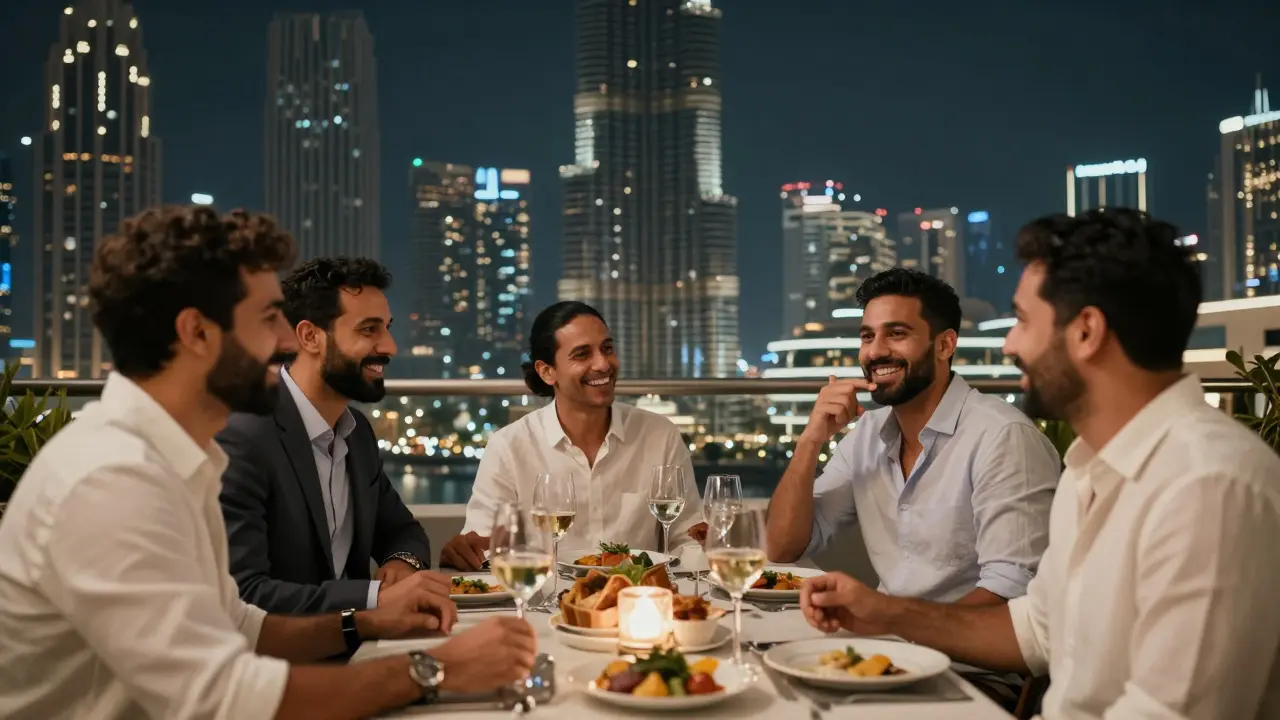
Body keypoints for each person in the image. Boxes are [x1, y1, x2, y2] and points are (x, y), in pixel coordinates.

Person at [0, 206, 537, 720]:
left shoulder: (181, 457)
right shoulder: (111, 479)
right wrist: (437, 669)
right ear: (197, 332)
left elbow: (242, 624)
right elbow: (222, 699)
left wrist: (372, 621)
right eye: (267, 319)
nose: (285, 341)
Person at [799, 209, 1280, 720]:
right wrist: (885, 613)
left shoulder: (1209, 486)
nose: (1011, 345)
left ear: (1086, 331)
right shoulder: (1090, 469)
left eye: (1024, 321)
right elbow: (1035, 630)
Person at [766, 267, 1060, 605]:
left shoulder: (1003, 437)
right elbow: (784, 548)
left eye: (896, 333)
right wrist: (810, 440)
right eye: (867, 336)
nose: (875, 352)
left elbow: (1011, 590)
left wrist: (892, 623)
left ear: (945, 345)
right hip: (891, 643)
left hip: (968, 654)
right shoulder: (865, 435)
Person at [218, 257, 435, 614]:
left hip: (356, 644)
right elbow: (245, 595)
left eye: (388, 328)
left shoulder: (357, 432)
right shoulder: (245, 438)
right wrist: (373, 599)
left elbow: (401, 530)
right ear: (309, 336)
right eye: (369, 330)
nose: (390, 346)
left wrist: (402, 563)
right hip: (282, 663)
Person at [440, 301, 703, 571]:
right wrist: (469, 551)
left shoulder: (660, 435)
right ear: (547, 372)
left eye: (607, 348)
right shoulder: (508, 447)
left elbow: (687, 538)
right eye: (582, 354)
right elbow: (483, 548)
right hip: (543, 605)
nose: (602, 364)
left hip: (636, 601)